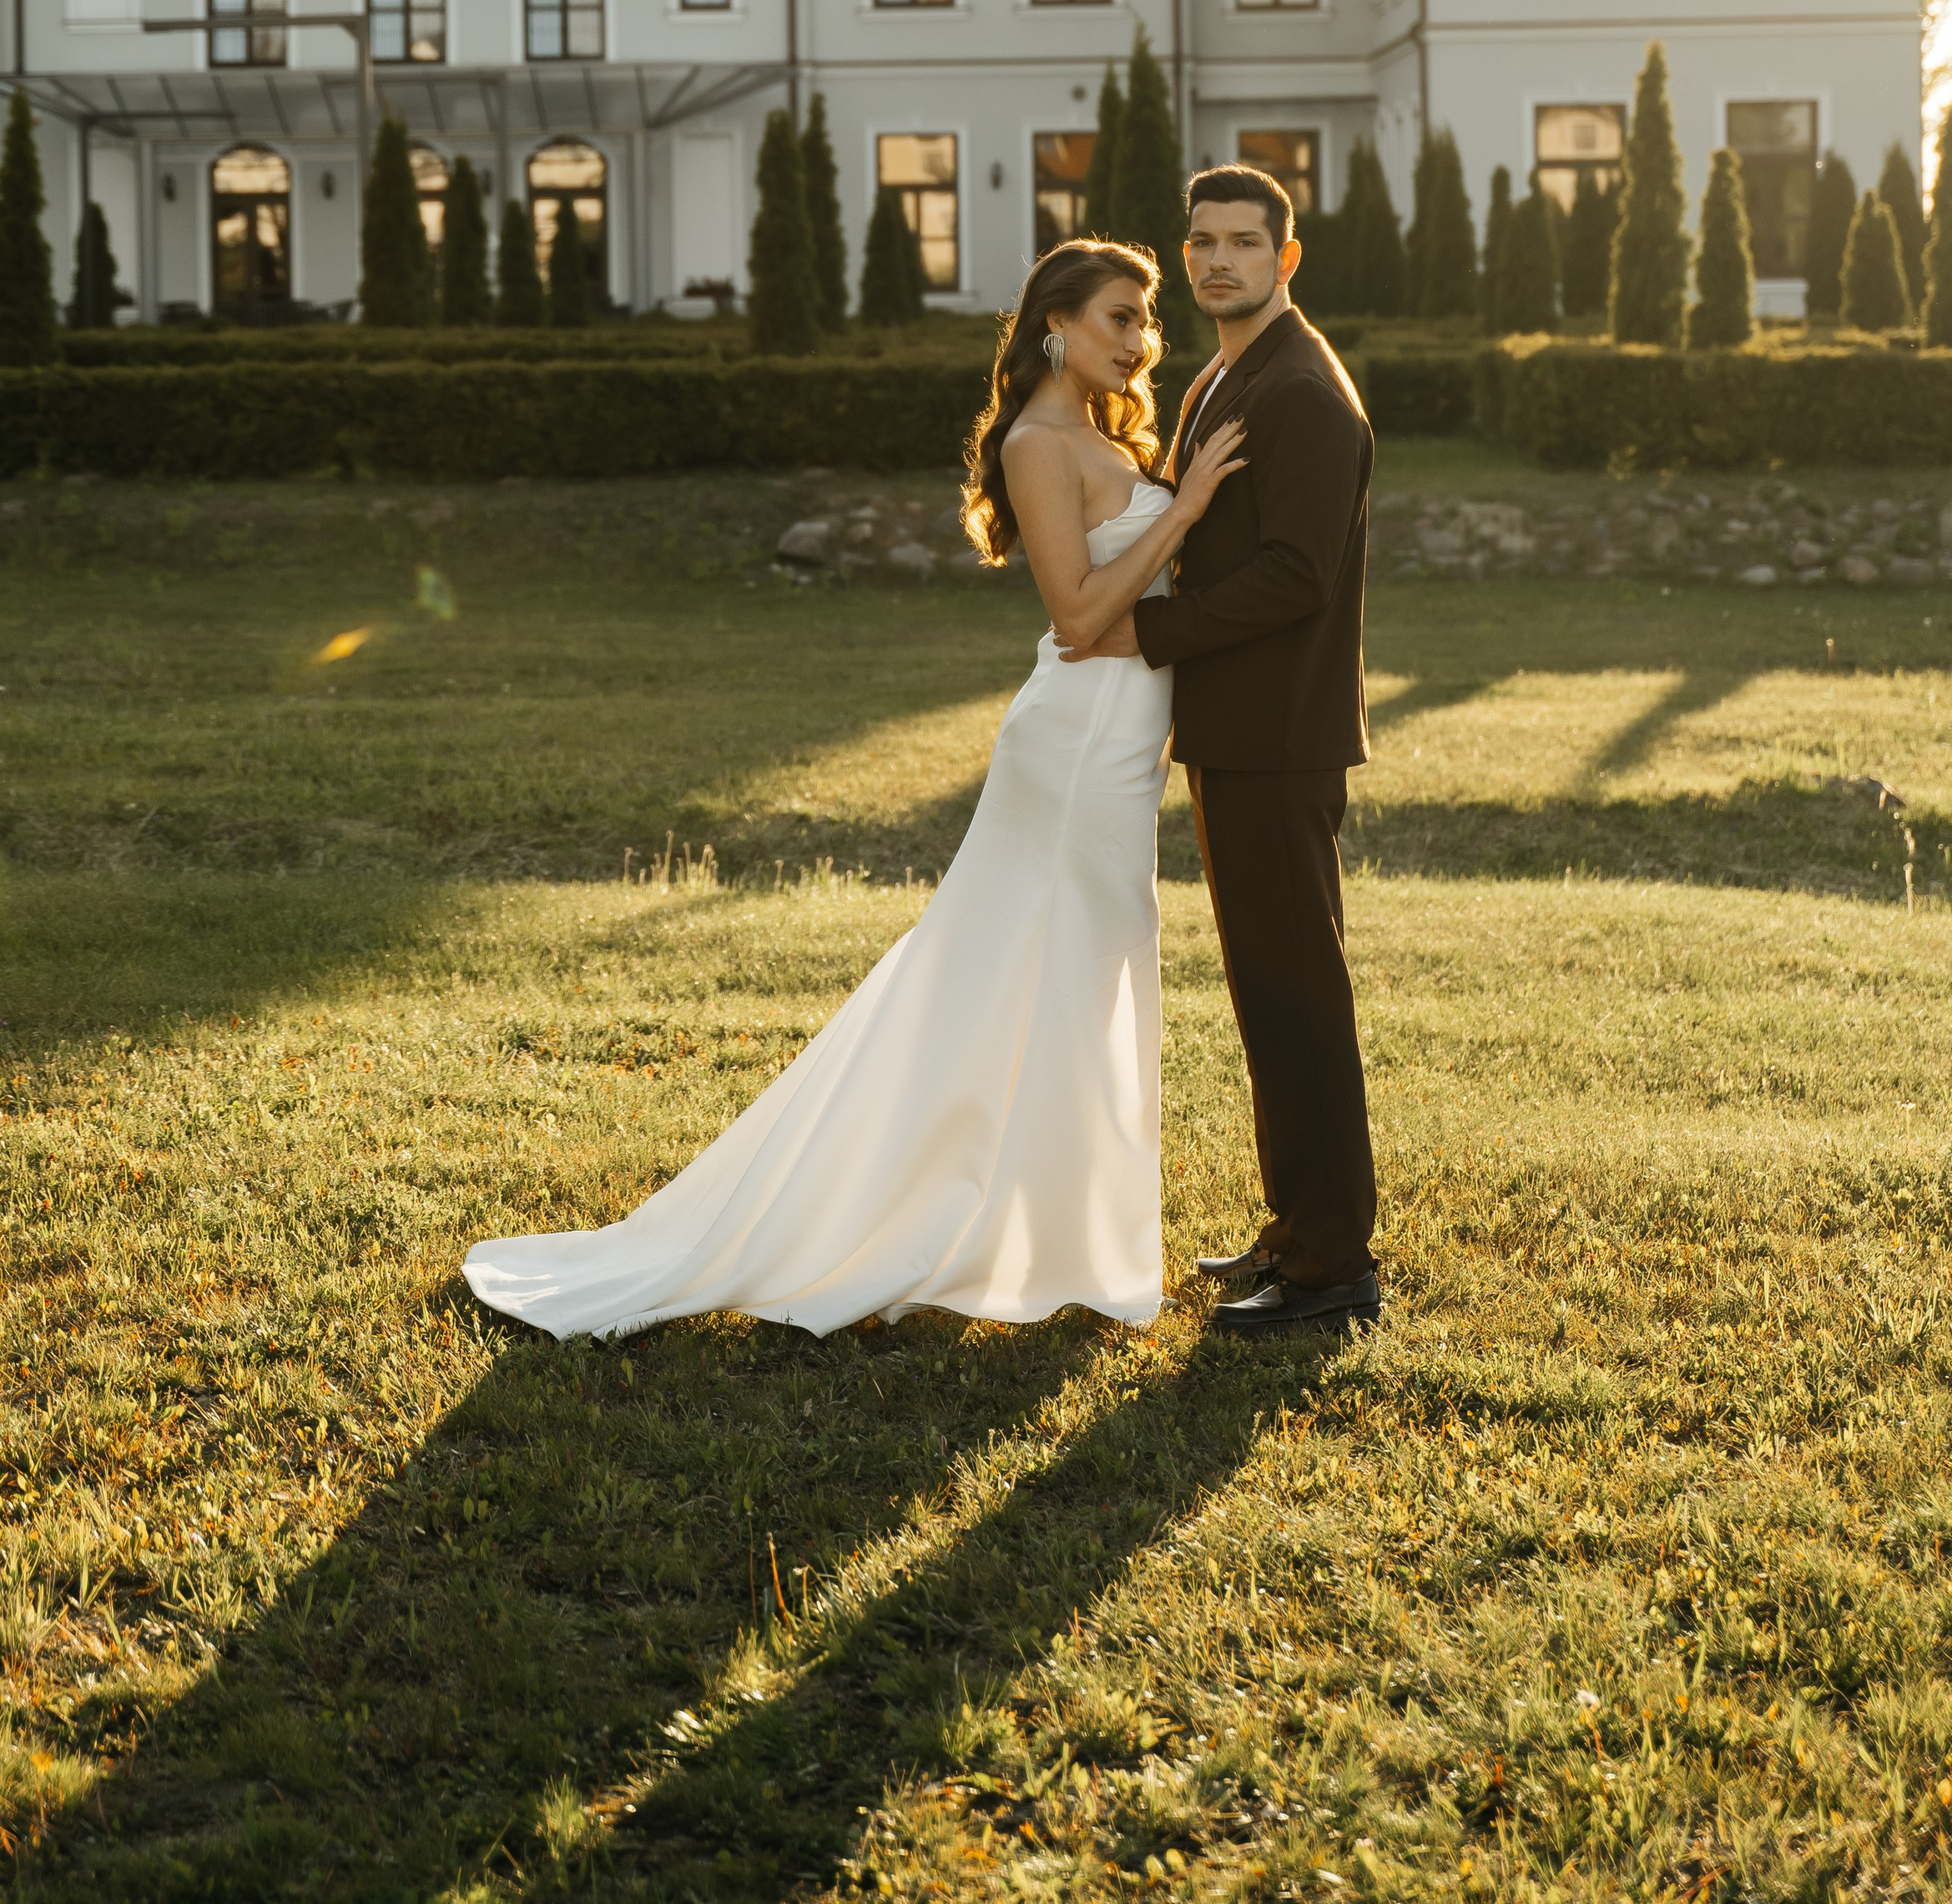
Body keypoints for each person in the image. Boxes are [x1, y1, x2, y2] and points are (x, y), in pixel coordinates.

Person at [462, 236, 1247, 1341]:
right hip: (1073, 749)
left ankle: (1061, 1237)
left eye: (1147, 320)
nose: (1142, 341)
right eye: (1121, 316)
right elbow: (1076, 620)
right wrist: (1185, 509)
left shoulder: (1107, 434)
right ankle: (953, 1223)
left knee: (1075, 977)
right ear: (1056, 326)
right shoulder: (1036, 442)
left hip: (1119, 744)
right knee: (1030, 972)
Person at [1062, 163, 1379, 1336]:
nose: (1216, 261)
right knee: (1270, 994)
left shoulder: (1301, 389)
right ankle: (1297, 1230)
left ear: (1286, 259)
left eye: (1244, 242)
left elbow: (1296, 576)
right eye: (1201, 241)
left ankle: (1334, 1263)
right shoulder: (1226, 371)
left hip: (1278, 737)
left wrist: (1146, 631)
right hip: (1238, 732)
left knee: (1299, 997)